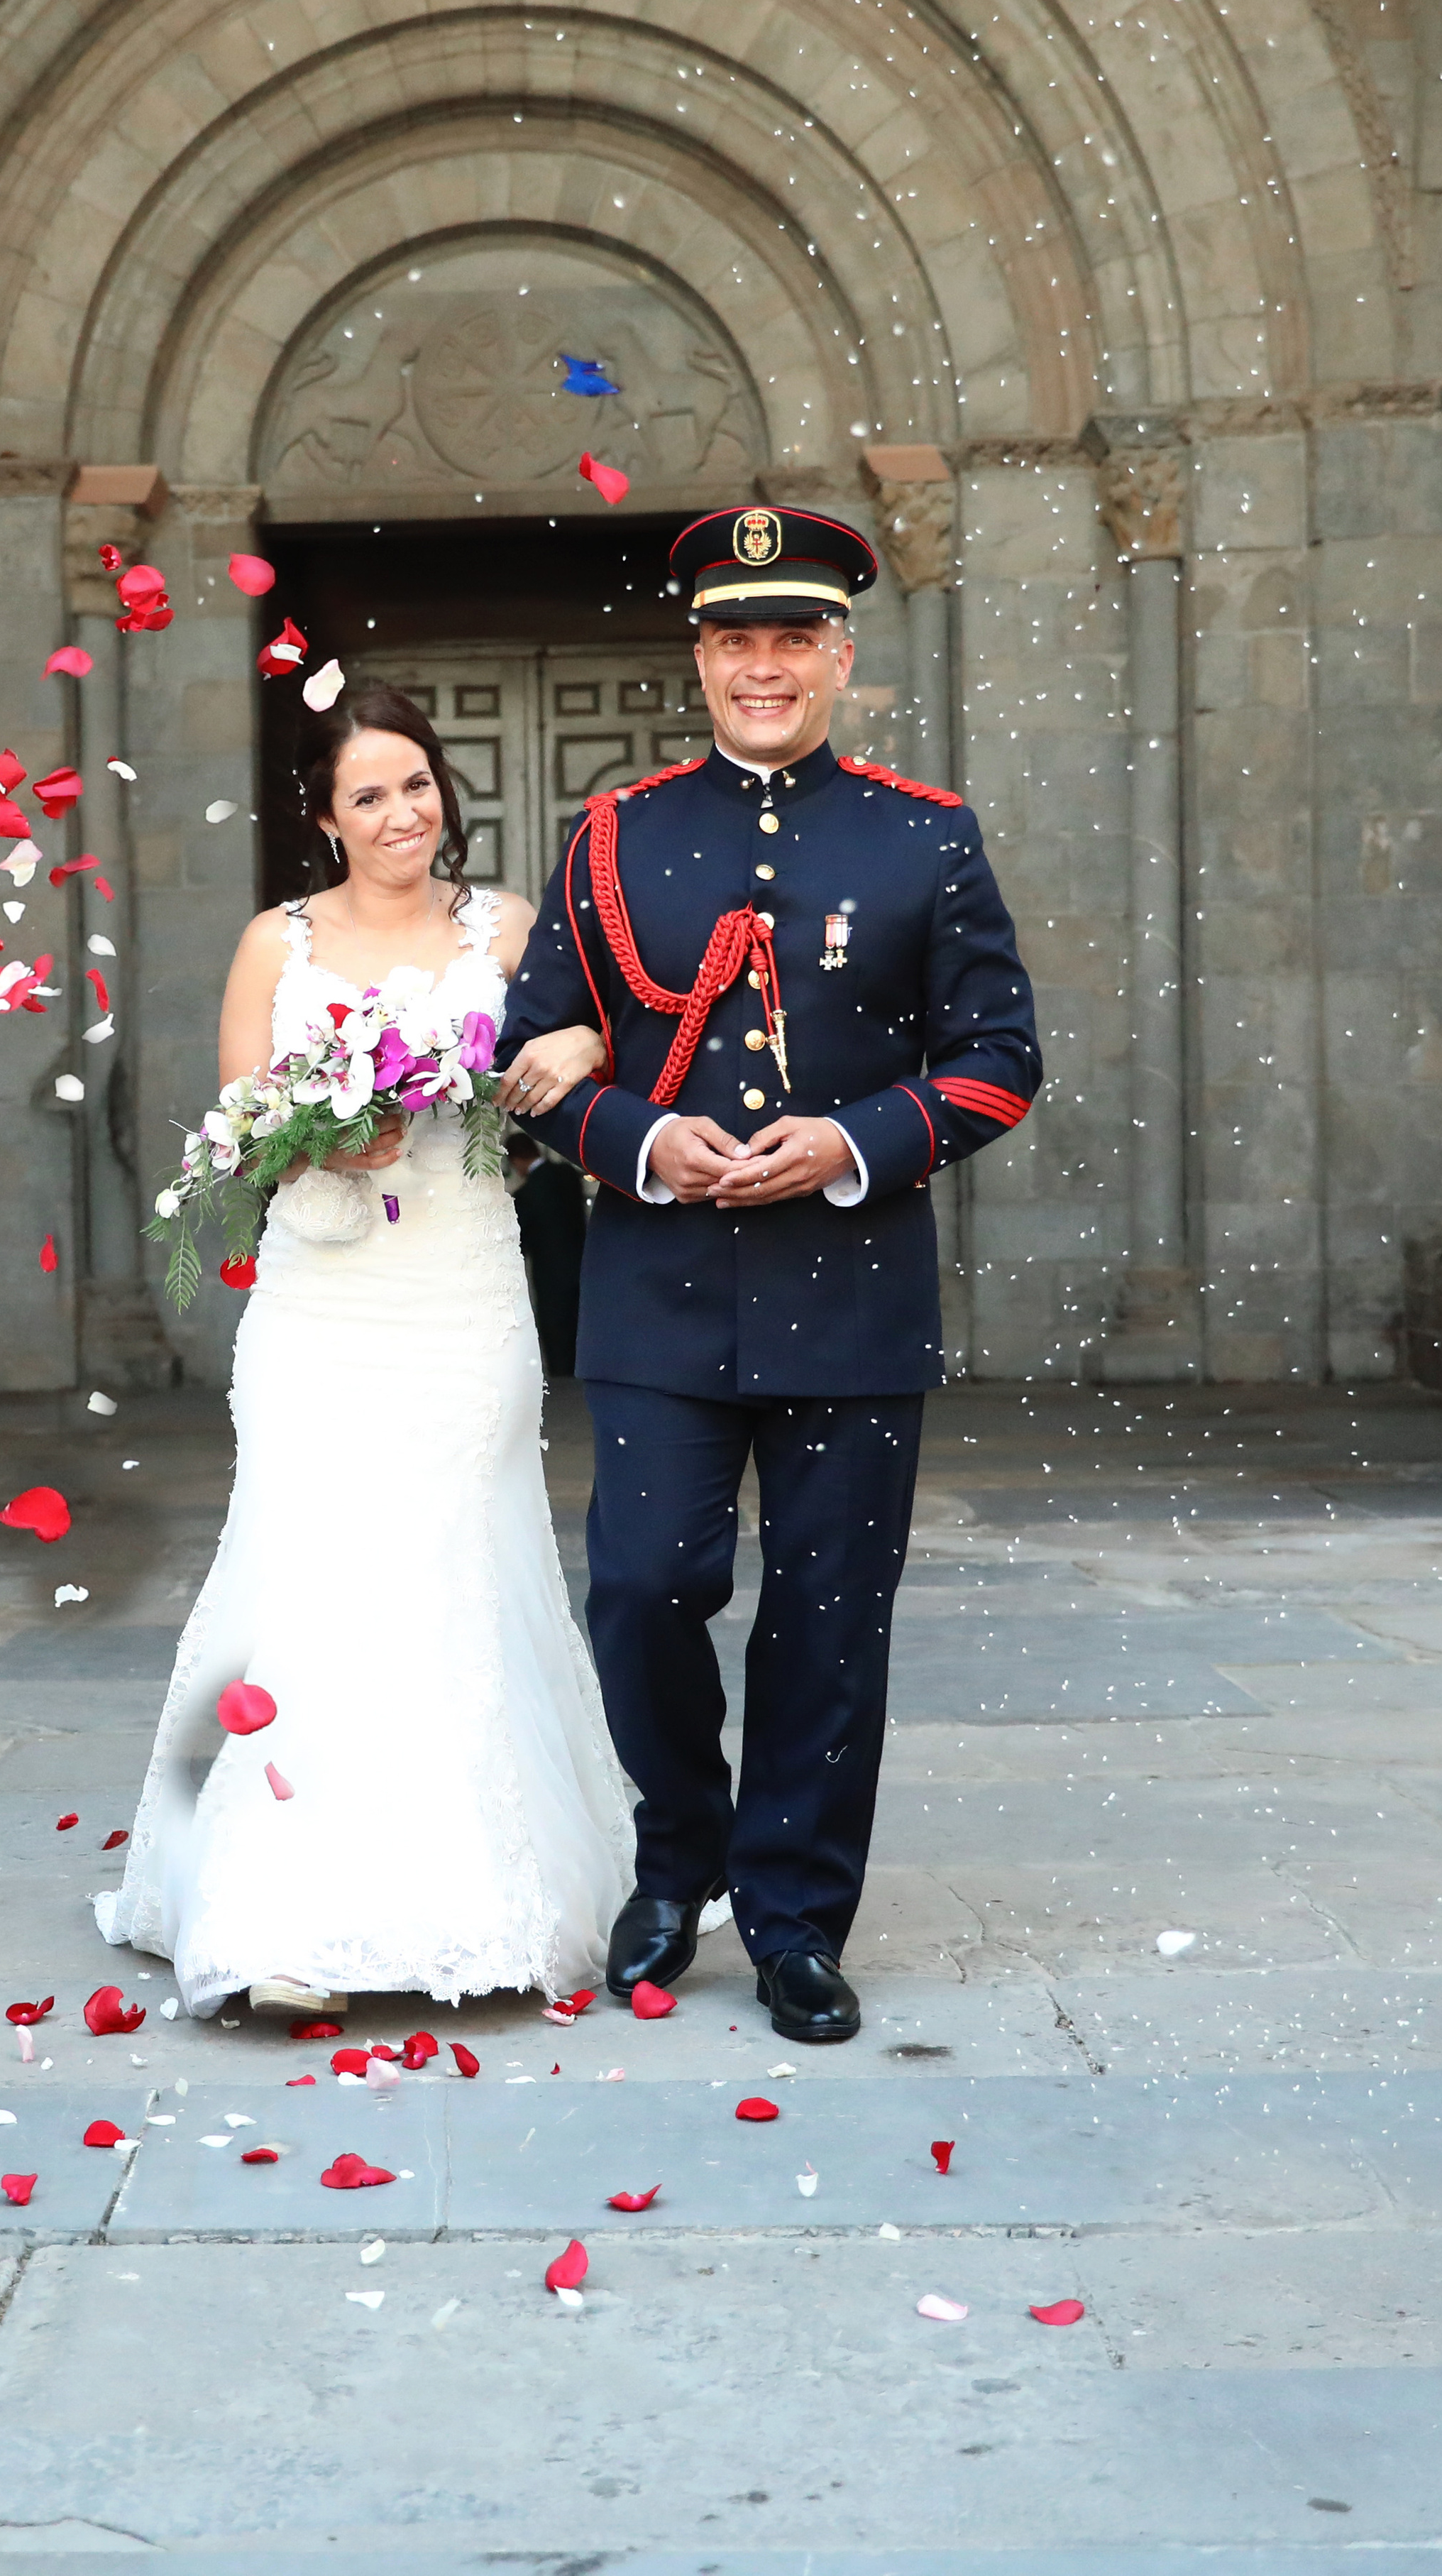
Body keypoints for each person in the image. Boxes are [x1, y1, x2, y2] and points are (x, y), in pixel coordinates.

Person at [498, 503, 1042, 2044]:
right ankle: (675, 1865)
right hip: (657, 1288)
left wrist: (854, 1140)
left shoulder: (924, 835)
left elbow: (1001, 1059)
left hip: (851, 1290)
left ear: (839, 656)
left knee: (828, 1618)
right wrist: (640, 1141)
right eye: (736, 639)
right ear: (699, 658)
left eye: (792, 638)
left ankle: (796, 1918)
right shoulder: (615, 837)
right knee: (644, 1587)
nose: (763, 666)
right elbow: (524, 1061)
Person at [97, 683, 632, 2017]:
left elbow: (586, 1055)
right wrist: (321, 1138)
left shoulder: (506, 927)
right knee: (307, 1581)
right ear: (326, 818)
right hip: (321, 1311)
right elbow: (236, 1138)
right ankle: (277, 1917)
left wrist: (575, 1039)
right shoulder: (274, 945)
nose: (403, 814)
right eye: (369, 795)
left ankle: (472, 1897)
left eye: (417, 785)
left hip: (461, 1297)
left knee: (456, 1573)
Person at [505, 1131, 588, 1376]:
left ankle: (563, 1381)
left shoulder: (526, 1194)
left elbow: (522, 1241)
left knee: (557, 1332)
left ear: (516, 1160)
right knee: (582, 1325)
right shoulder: (568, 1174)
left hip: (550, 1274)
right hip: (582, 1264)